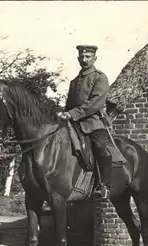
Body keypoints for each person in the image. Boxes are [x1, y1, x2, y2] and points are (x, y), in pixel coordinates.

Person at [57, 45, 112, 201]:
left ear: (95, 58)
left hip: (92, 122)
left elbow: (95, 102)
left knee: (100, 147)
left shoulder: (99, 77)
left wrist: (72, 114)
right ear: (78, 59)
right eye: (82, 57)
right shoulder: (74, 81)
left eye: (88, 57)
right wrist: (63, 114)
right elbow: (69, 104)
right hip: (73, 123)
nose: (84, 59)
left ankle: (104, 187)